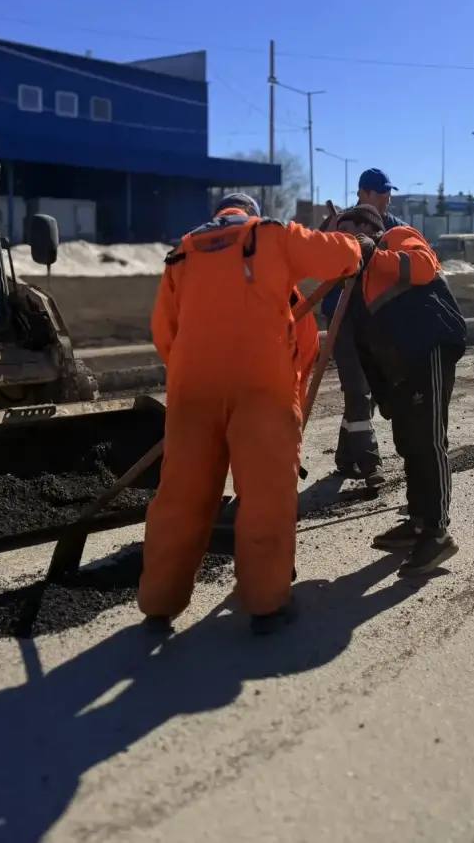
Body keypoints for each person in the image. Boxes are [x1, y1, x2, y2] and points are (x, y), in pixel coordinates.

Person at [139, 192, 362, 633]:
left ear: (218, 216)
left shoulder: (183, 252)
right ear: (251, 214)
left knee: (181, 496)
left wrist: (195, 375)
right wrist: (358, 245)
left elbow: (164, 333)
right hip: (261, 388)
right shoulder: (271, 235)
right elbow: (339, 256)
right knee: (265, 496)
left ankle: (159, 601)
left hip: (192, 391)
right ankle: (265, 604)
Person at [334, 205, 467, 577]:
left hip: (428, 350)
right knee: (409, 443)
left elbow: (422, 267)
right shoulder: (361, 280)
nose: (344, 242)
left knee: (428, 440)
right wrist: (384, 393)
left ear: (369, 228)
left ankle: (437, 531)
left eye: (349, 233)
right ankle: (418, 522)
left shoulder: (396, 238)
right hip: (401, 370)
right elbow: (367, 345)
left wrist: (372, 252)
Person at [322, 168, 405, 483]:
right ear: (363, 193)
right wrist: (333, 237)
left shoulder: (394, 227)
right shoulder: (341, 223)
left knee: (367, 390)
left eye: (389, 192)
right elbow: (318, 261)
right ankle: (371, 464)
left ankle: (346, 458)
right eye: (382, 192)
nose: (388, 198)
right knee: (358, 390)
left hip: (376, 319)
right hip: (342, 318)